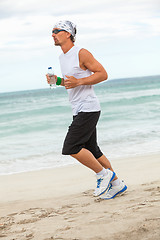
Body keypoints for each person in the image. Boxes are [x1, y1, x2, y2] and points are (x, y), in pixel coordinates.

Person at [46, 20, 127, 199]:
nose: (52, 34)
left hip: (88, 107)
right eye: (51, 31)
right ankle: (117, 185)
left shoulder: (81, 53)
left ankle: (103, 175)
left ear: (68, 34)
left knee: (71, 147)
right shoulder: (62, 57)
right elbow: (72, 82)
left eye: (56, 31)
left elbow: (103, 74)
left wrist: (80, 81)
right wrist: (57, 81)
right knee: (93, 150)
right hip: (78, 108)